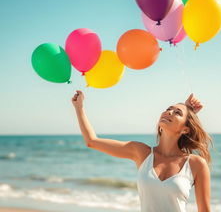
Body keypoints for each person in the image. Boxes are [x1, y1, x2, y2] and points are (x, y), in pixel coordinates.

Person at [72, 90, 212, 212]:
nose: (169, 112)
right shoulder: (141, 152)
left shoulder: (196, 164)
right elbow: (92, 141)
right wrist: (79, 108)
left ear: (185, 129)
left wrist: (189, 113)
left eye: (177, 112)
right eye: (168, 108)